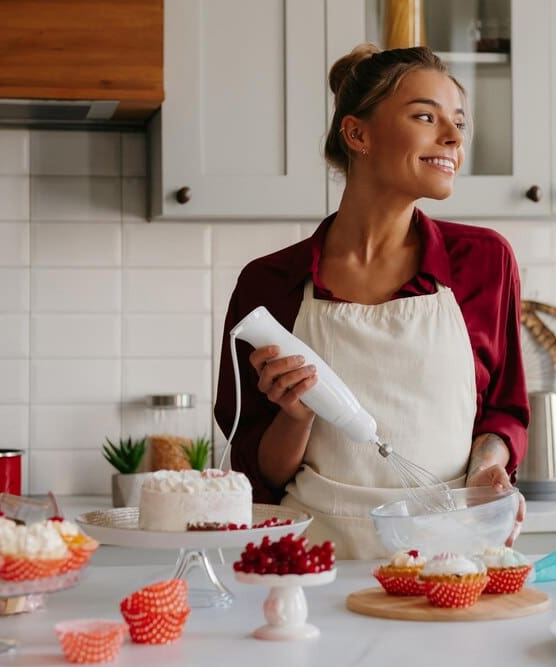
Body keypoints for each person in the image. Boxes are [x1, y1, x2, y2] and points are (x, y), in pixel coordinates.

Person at [214, 44, 529, 559]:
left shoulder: (483, 261)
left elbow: (503, 411)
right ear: (357, 133)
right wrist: (294, 417)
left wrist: (489, 467)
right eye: (426, 117)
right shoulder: (269, 285)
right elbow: (254, 473)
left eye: (459, 122)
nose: (452, 138)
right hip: (311, 564)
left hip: (448, 559)